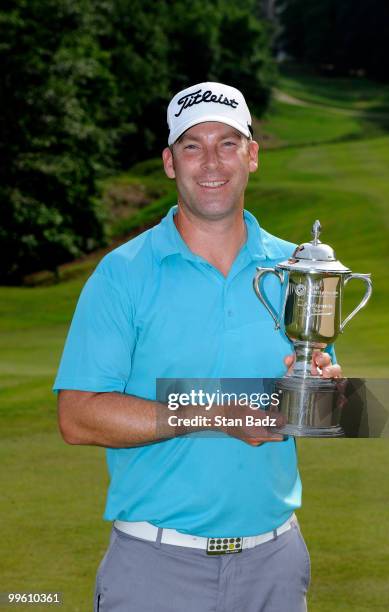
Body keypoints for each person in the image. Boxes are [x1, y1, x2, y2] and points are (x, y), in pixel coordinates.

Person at [54, 82, 341, 612]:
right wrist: (216, 412)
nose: (212, 162)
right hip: (155, 569)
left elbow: (321, 410)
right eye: (192, 145)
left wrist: (323, 390)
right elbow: (77, 417)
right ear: (169, 162)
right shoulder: (122, 274)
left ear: (252, 154)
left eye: (227, 143)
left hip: (274, 566)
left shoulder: (298, 268)